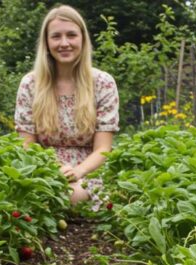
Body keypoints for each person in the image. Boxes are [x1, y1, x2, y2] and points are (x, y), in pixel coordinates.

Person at [14, 5, 120, 205]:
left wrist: (78, 171)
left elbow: (103, 149)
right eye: (56, 36)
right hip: (42, 168)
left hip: (89, 170)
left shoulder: (103, 83)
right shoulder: (31, 84)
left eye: (71, 35)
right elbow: (26, 144)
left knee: (71, 194)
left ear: (82, 39)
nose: (64, 43)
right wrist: (52, 169)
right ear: (46, 41)